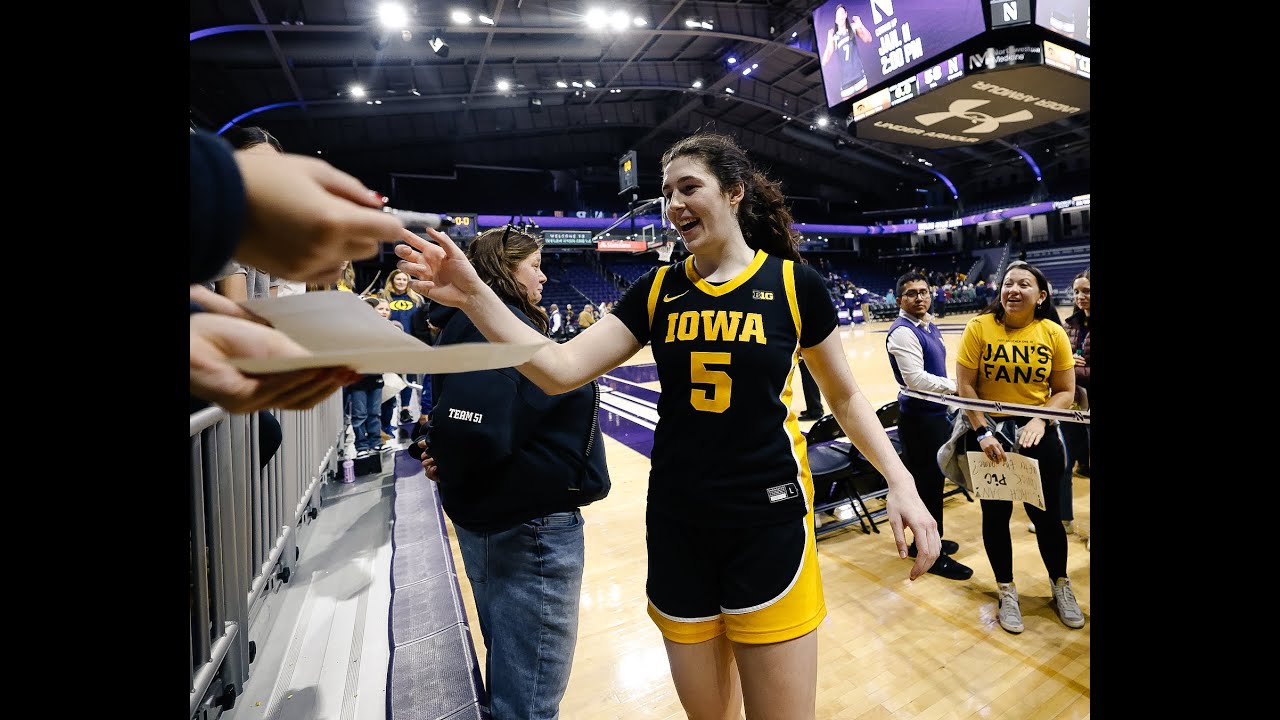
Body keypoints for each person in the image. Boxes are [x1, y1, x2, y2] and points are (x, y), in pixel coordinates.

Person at [394, 132, 939, 719]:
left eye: (689, 188)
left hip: (768, 522)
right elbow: (560, 368)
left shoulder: (794, 285)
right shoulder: (657, 289)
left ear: (733, 193)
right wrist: (475, 296)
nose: (673, 204)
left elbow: (847, 396)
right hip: (680, 526)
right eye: (665, 193)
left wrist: (901, 482)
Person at [415, 225, 611, 718]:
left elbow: (450, 421)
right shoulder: (497, 328)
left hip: (495, 521)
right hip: (531, 531)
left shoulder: (460, 324)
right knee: (528, 701)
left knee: (509, 674)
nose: (544, 276)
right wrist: (451, 454)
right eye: (535, 265)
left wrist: (445, 455)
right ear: (506, 270)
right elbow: (473, 427)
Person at [954, 260, 1085, 633]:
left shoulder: (1052, 332)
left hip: (1037, 434)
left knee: (1046, 518)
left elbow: (1064, 391)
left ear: (1040, 295)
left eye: (1023, 284)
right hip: (989, 435)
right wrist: (982, 431)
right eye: (1008, 283)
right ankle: (1006, 590)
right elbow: (966, 387)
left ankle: (1061, 585)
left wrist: (1040, 419)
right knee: (994, 517)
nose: (1013, 289)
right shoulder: (979, 327)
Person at [885, 272, 973, 581]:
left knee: (933, 486)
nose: (919, 297)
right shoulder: (902, 332)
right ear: (900, 300)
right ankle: (930, 554)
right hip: (920, 422)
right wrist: (956, 388)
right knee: (928, 488)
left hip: (934, 416)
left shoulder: (928, 325)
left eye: (923, 291)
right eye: (911, 293)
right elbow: (916, 379)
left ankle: (923, 543)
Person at [1032, 268, 1090, 540]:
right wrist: (1067, 365)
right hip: (1073, 404)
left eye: (1087, 291)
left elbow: (1066, 368)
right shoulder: (1069, 324)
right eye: (1077, 291)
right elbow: (1058, 366)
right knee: (1064, 464)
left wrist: (1071, 368)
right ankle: (1063, 518)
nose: (1080, 296)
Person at [820, 4, 874, 100]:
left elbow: (868, 39)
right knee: (849, 113)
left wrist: (861, 25)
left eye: (842, 13)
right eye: (838, 15)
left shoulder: (853, 28)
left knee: (868, 107)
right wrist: (829, 42)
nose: (840, 17)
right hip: (846, 81)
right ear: (835, 20)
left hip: (859, 76)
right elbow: (824, 61)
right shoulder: (835, 38)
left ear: (846, 14)